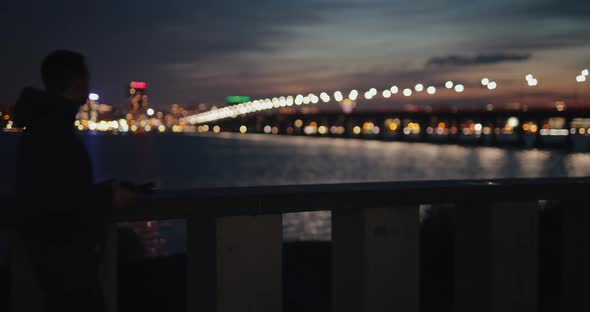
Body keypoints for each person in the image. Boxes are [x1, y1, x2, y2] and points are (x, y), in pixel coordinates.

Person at [13, 50, 137, 312]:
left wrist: (102, 189)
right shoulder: (54, 130)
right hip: (66, 264)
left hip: (51, 259)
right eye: (86, 78)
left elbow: (55, 188)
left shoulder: (43, 125)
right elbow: (58, 202)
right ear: (77, 83)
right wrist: (108, 197)